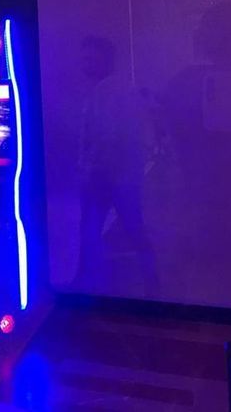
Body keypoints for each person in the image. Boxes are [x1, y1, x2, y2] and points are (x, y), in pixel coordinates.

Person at [75, 36, 158, 294]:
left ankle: (88, 285)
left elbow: (108, 137)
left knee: (92, 229)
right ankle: (151, 283)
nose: (86, 63)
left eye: (91, 58)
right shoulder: (111, 88)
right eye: (84, 58)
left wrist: (91, 169)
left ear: (106, 60)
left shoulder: (107, 91)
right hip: (119, 175)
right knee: (129, 228)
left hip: (109, 175)